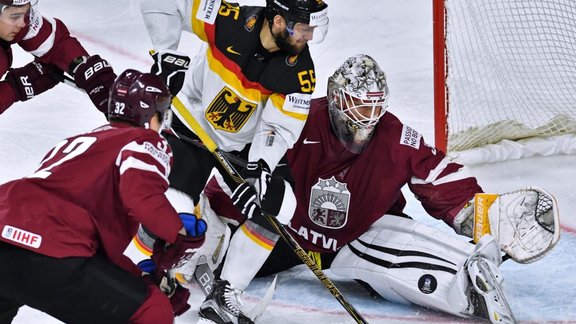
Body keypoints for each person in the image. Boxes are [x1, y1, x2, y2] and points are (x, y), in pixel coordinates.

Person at [193, 54, 559, 324]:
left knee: (399, 248)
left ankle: (465, 283)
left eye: (374, 107)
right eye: (358, 105)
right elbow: (243, 157)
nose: (367, 118)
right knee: (200, 238)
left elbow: (436, 173)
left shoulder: (396, 137)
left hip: (349, 239)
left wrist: (480, 215)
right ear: (336, 99)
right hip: (281, 237)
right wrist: (232, 195)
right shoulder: (298, 119)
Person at [137, 1, 328, 322]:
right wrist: (163, 53)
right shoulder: (226, 18)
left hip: (245, 146)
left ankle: (227, 292)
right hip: (191, 126)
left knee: (280, 203)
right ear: (279, 21)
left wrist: (261, 169)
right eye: (303, 29)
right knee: (173, 205)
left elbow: (278, 129)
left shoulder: (300, 72)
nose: (308, 38)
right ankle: (149, 270)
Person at [0, 69, 208, 323]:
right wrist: (179, 234)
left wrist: (141, 280)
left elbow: (73, 239)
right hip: (53, 250)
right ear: (147, 112)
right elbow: (140, 195)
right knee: (152, 309)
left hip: (6, 234)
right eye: (160, 110)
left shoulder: (79, 142)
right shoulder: (144, 140)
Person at [0, 0, 116, 115]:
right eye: (15, 17)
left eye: (26, 14)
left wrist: (87, 70)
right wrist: (13, 89)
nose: (22, 24)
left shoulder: (17, 22)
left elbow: (56, 44)